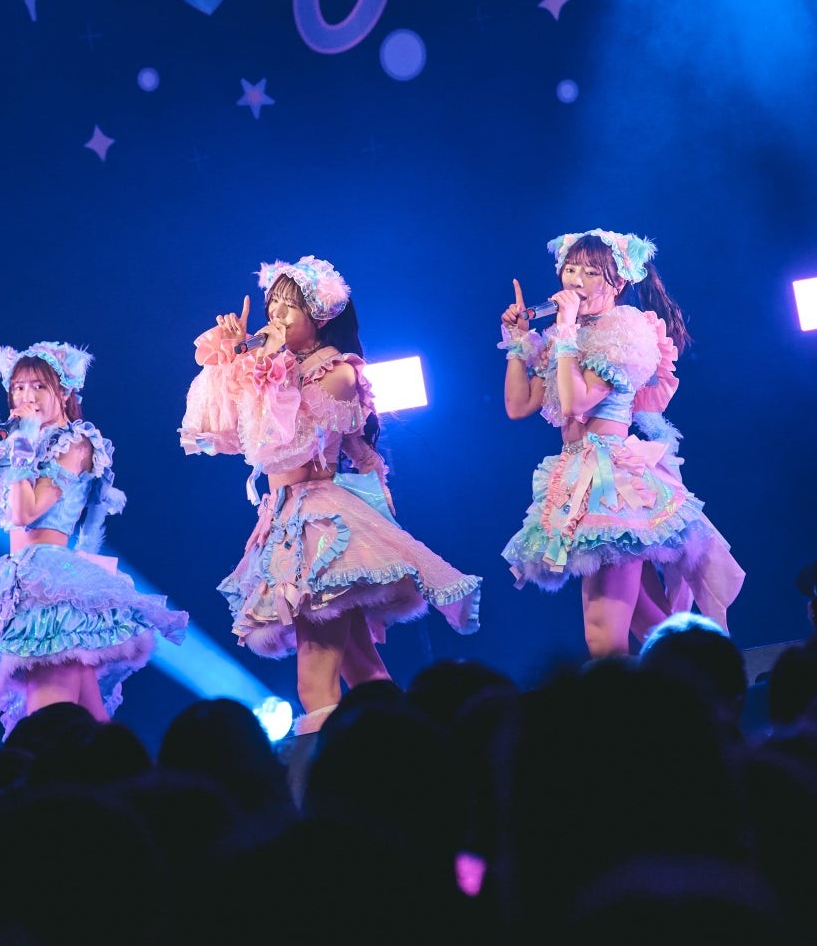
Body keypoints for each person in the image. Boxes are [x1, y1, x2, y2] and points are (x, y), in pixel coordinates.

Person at [182, 257, 481, 735]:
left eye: (288, 306)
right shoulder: (279, 366)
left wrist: (264, 368)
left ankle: (334, 769)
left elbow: (283, 446)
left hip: (319, 524)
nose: (275, 315)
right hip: (283, 518)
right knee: (363, 669)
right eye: (272, 304)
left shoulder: (337, 372)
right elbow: (226, 433)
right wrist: (231, 362)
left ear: (319, 315)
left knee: (314, 682)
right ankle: (408, 747)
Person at [499, 230, 744, 656]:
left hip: (611, 482)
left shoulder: (623, 330)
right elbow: (519, 405)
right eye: (570, 269)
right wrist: (520, 342)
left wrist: (565, 330)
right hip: (575, 473)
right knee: (650, 622)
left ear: (618, 283)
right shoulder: (566, 335)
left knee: (603, 633)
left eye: (591, 272)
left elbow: (576, 403)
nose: (576, 280)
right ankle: (701, 674)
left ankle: (657, 689)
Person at [0, 342, 187, 730]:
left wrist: (22, 443)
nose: (27, 397)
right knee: (88, 718)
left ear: (64, 392)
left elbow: (25, 513)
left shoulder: (75, 442)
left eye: (38, 386)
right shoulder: (16, 443)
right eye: (18, 388)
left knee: (49, 720)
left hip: (51, 581)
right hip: (15, 579)